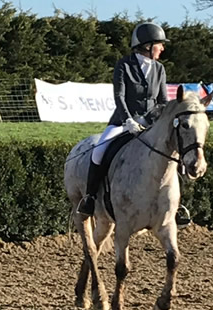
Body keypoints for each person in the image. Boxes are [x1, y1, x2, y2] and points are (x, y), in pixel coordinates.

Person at [77, 22, 169, 216]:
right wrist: (128, 120)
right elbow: (119, 96)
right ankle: (90, 197)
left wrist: (153, 121)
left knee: (171, 153)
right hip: (123, 121)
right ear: (147, 45)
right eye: (159, 44)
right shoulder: (124, 65)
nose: (162, 48)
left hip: (150, 124)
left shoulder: (159, 69)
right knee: (99, 151)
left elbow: (162, 101)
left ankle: (174, 205)